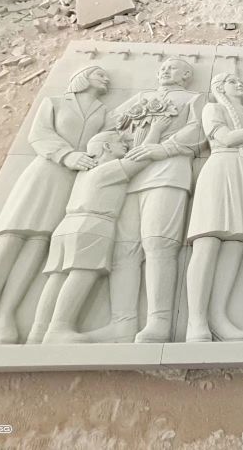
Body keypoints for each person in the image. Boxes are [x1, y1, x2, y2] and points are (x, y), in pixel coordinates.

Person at [0, 66, 111, 345]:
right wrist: (66, 154)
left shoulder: (103, 112)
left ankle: (5, 316)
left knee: (38, 244)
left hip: (73, 182)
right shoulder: (55, 102)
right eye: (99, 73)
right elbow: (39, 135)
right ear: (82, 77)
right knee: (10, 239)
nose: (105, 78)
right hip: (45, 172)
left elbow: (103, 142)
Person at [85, 57, 207, 344]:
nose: (165, 70)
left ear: (186, 75)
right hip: (129, 173)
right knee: (124, 248)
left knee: (158, 244)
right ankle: (123, 322)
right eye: (162, 67)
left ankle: (159, 322)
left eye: (172, 67)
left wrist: (164, 148)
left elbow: (199, 130)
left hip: (167, 172)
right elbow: (111, 124)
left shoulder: (194, 98)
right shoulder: (142, 98)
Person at [26, 124, 166, 344]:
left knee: (58, 277)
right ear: (107, 147)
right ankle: (59, 328)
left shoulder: (84, 173)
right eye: (121, 142)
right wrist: (155, 131)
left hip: (67, 226)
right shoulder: (106, 170)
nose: (126, 145)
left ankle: (38, 332)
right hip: (93, 225)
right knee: (83, 274)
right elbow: (140, 160)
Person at [185, 73, 243, 342]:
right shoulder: (213, 108)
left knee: (236, 242)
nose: (239, 84)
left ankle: (218, 316)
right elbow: (225, 138)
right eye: (232, 81)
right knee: (208, 241)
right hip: (222, 168)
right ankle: (195, 321)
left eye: (240, 81)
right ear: (220, 87)